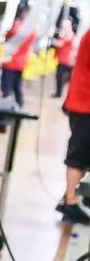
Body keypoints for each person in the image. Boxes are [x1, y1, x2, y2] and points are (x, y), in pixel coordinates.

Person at [60, 28, 90, 224]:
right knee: (79, 154)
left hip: (82, 102)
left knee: (84, 154)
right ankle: (70, 203)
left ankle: (70, 197)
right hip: (85, 103)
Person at [0, 2, 34, 131]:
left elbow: (9, 35)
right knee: (17, 90)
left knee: (6, 91)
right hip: (21, 63)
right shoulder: (33, 29)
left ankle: (4, 118)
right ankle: (17, 115)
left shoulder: (18, 26)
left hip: (11, 63)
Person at [56, 19, 78, 98]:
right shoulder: (67, 34)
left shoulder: (69, 34)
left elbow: (60, 44)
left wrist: (54, 41)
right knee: (60, 77)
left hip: (65, 60)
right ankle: (58, 93)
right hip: (63, 58)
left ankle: (60, 93)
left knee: (61, 77)